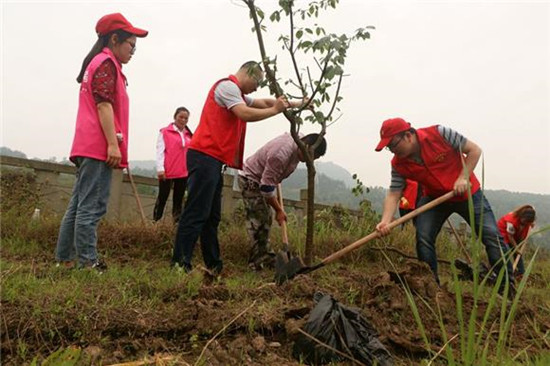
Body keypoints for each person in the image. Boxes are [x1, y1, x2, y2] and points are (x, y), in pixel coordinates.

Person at [171, 61, 308, 276]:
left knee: (211, 217)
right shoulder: (227, 87)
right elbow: (244, 113)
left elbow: (263, 102)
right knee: (196, 213)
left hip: (214, 161)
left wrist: (296, 103)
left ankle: (214, 265)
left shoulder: (239, 93)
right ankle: (180, 264)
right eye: (257, 81)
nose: (257, 86)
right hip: (204, 156)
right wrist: (275, 110)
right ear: (248, 73)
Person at [55, 13, 148, 272]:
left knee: (78, 205)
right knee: (92, 206)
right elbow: (104, 105)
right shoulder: (106, 63)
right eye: (131, 45)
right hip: (97, 146)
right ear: (115, 39)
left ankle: (65, 259)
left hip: (87, 144)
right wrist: (112, 144)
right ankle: (87, 262)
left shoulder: (100, 64)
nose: (133, 51)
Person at [374, 117, 514, 286]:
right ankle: (430, 286)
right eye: (389, 148)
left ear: (408, 136)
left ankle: (506, 286)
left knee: (491, 234)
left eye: (394, 145)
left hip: (468, 193)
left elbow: (474, 150)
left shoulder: (440, 134)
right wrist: (385, 221)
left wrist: (463, 177)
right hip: (434, 198)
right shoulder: (398, 164)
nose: (393, 151)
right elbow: (394, 193)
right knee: (423, 236)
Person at [239, 132, 327, 270]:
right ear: (305, 145)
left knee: (265, 220)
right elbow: (266, 189)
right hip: (251, 179)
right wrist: (279, 210)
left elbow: (271, 181)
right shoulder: (280, 155)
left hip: (266, 180)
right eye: (312, 156)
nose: (312, 160)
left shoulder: (300, 142)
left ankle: (267, 257)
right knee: (259, 221)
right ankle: (255, 264)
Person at [153, 107, 193, 223]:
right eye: (181, 117)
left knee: (178, 200)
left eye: (186, 118)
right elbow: (160, 151)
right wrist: (160, 168)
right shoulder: (165, 132)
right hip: (168, 170)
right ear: (175, 117)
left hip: (183, 171)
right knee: (162, 197)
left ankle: (176, 225)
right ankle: (156, 221)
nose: (183, 120)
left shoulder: (189, 134)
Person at [497, 205, 536, 277]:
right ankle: (506, 272)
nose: (525, 223)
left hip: (515, 234)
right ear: (521, 216)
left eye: (527, 222)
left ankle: (521, 272)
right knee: (506, 252)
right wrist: (516, 248)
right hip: (503, 234)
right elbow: (510, 237)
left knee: (518, 254)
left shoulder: (527, 220)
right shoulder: (511, 221)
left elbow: (530, 223)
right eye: (525, 221)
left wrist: (531, 224)